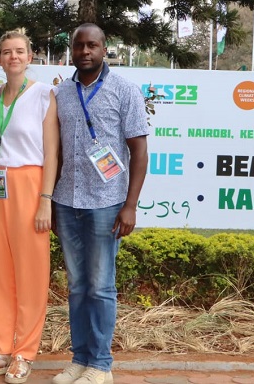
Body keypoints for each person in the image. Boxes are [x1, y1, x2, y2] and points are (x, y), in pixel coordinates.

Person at [51, 24, 149, 384]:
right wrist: (49, 200)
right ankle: (80, 359)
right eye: (79, 45)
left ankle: (101, 365)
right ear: (71, 49)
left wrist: (130, 205)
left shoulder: (125, 90)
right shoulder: (61, 92)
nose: (85, 51)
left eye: (92, 45)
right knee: (77, 285)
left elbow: (139, 151)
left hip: (107, 202)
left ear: (105, 49)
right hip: (66, 200)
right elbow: (56, 152)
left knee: (101, 285)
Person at [0, 30, 59, 384]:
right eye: (6, 52)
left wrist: (45, 200)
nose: (13, 57)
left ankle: (24, 353)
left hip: (28, 185)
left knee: (31, 272)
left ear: (30, 56)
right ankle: (2, 348)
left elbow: (51, 152)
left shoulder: (43, 95)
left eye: (20, 51)